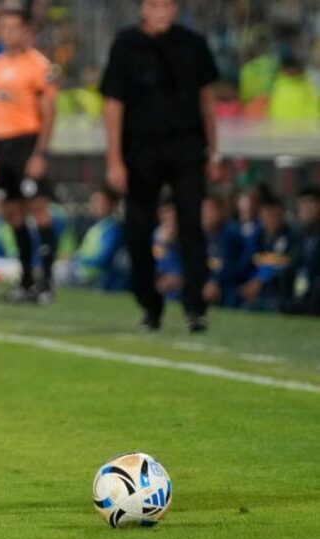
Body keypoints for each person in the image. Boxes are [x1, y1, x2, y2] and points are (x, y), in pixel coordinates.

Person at [101, 0, 220, 332]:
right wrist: (114, 158)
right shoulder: (126, 44)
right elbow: (113, 104)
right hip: (141, 151)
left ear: (175, 8)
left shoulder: (193, 44)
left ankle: (195, 306)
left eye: (166, 4)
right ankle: (149, 303)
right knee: (138, 230)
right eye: (154, 5)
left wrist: (214, 152)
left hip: (187, 147)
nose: (160, 11)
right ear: (143, 8)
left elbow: (206, 100)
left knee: (191, 225)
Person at [0, 8, 59, 304]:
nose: (9, 33)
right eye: (4, 27)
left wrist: (40, 152)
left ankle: (47, 282)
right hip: (3, 146)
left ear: (26, 31)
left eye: (14, 27)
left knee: (38, 209)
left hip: (28, 142)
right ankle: (26, 279)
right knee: (12, 212)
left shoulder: (39, 65)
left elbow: (48, 112)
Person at [62, 187, 126, 291]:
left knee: (60, 270)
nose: (95, 205)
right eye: (93, 201)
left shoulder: (112, 230)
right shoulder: (96, 227)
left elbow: (103, 259)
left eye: (100, 201)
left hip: (96, 276)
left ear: (111, 204)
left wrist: (76, 258)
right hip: (83, 270)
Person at [282, 187, 320, 315]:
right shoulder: (300, 234)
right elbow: (293, 262)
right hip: (303, 287)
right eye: (301, 206)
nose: (304, 211)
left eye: (308, 205)